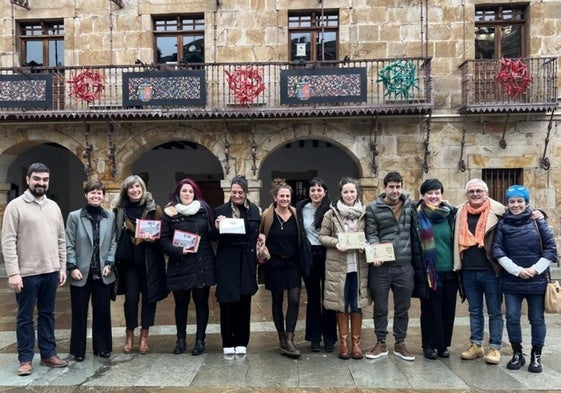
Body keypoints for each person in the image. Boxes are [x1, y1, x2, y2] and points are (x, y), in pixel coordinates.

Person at [1, 163, 69, 376]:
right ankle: (26, 359)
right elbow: (8, 241)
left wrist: (61, 267)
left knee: (48, 314)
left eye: (45, 180)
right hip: (26, 273)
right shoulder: (15, 206)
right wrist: (13, 272)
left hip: (50, 271)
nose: (41, 183)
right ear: (28, 179)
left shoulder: (54, 207)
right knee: (25, 317)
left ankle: (49, 353)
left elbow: (61, 239)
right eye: (37, 179)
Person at [491, 185, 557, 373]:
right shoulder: (503, 224)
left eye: (520, 201)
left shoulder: (538, 222)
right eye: (512, 201)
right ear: (508, 203)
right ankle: (517, 353)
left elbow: (550, 249)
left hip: (536, 281)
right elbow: (498, 250)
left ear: (526, 202)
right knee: (512, 318)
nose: (516, 205)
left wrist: (534, 270)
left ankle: (536, 356)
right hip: (513, 280)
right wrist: (517, 270)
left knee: (536, 319)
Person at [364, 171, 425, 361]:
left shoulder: (410, 206)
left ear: (401, 187)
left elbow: (432, 208)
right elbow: (371, 233)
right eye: (391, 187)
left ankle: (400, 342)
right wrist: (375, 250)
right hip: (381, 267)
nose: (395, 190)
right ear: (384, 188)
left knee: (403, 308)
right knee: (380, 307)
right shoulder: (373, 208)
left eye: (398, 187)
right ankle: (380, 342)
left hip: (404, 266)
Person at [160, 178, 216, 356]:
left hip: (202, 263)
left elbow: (211, 235)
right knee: (181, 304)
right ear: (178, 193)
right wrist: (178, 251)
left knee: (201, 303)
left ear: (195, 194)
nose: (187, 194)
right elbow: (163, 240)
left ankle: (200, 340)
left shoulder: (204, 210)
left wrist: (219, 225)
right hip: (180, 264)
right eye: (184, 191)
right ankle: (181, 339)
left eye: (190, 191)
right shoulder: (169, 213)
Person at [453, 178, 505, 365]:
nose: (475, 194)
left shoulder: (499, 212)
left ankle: (495, 347)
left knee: (494, 311)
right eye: (471, 191)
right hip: (468, 270)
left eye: (479, 191)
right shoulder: (459, 212)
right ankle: (476, 345)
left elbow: (521, 214)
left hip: (491, 270)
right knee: (474, 310)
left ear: (486, 193)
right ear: (466, 194)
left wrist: (539, 213)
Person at [114, 174, 167, 354]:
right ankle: (130, 335)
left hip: (150, 261)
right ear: (126, 191)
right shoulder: (120, 211)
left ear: (143, 189)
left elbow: (163, 235)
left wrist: (156, 239)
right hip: (129, 263)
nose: (135, 190)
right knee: (130, 300)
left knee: (149, 300)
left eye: (138, 187)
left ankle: (144, 337)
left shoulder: (155, 209)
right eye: (131, 187)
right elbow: (114, 235)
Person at [319, 177, 371, 360]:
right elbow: (322, 237)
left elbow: (371, 235)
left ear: (357, 193)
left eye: (352, 191)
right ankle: (343, 343)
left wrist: (366, 244)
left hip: (358, 266)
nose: (349, 195)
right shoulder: (331, 214)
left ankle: (356, 344)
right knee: (342, 304)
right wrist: (336, 242)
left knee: (356, 303)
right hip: (338, 266)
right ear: (340, 193)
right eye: (345, 192)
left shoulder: (365, 213)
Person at [66, 180, 117, 361]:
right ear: (86, 195)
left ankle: (102, 347)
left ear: (104, 196)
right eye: (92, 193)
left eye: (99, 193)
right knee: (79, 312)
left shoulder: (110, 216)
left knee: (102, 311)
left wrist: (110, 263)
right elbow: (69, 243)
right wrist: (72, 266)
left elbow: (113, 242)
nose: (96, 196)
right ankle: (78, 350)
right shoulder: (74, 216)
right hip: (81, 272)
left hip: (102, 271)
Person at [214, 176, 261, 356]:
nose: (237, 195)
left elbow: (257, 233)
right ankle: (228, 341)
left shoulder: (254, 210)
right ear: (230, 192)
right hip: (227, 261)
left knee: (244, 303)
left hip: (246, 261)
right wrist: (217, 226)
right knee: (227, 303)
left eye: (240, 192)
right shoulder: (221, 210)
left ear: (246, 193)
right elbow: (212, 236)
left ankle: (242, 341)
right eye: (234, 192)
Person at [414, 179, 459, 359]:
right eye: (429, 193)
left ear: (442, 195)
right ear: (423, 196)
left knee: (448, 309)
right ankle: (429, 345)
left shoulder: (451, 214)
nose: (433, 196)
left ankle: (443, 345)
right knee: (431, 309)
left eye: (437, 193)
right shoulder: (416, 215)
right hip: (429, 271)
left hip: (451, 269)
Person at [259, 180, 302, 358]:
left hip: (293, 263)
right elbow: (260, 236)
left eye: (287, 196)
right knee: (277, 301)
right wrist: (261, 244)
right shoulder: (267, 216)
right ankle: (281, 337)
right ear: (275, 197)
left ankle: (290, 338)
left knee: (294, 300)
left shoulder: (296, 214)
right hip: (274, 264)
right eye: (281, 196)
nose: (284, 198)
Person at [296, 177, 337, 353]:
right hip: (309, 256)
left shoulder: (331, 210)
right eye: (313, 190)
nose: (316, 193)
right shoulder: (301, 209)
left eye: (319, 190)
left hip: (328, 255)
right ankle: (314, 337)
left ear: (325, 192)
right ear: (309, 192)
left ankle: (329, 338)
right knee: (313, 298)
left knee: (328, 298)